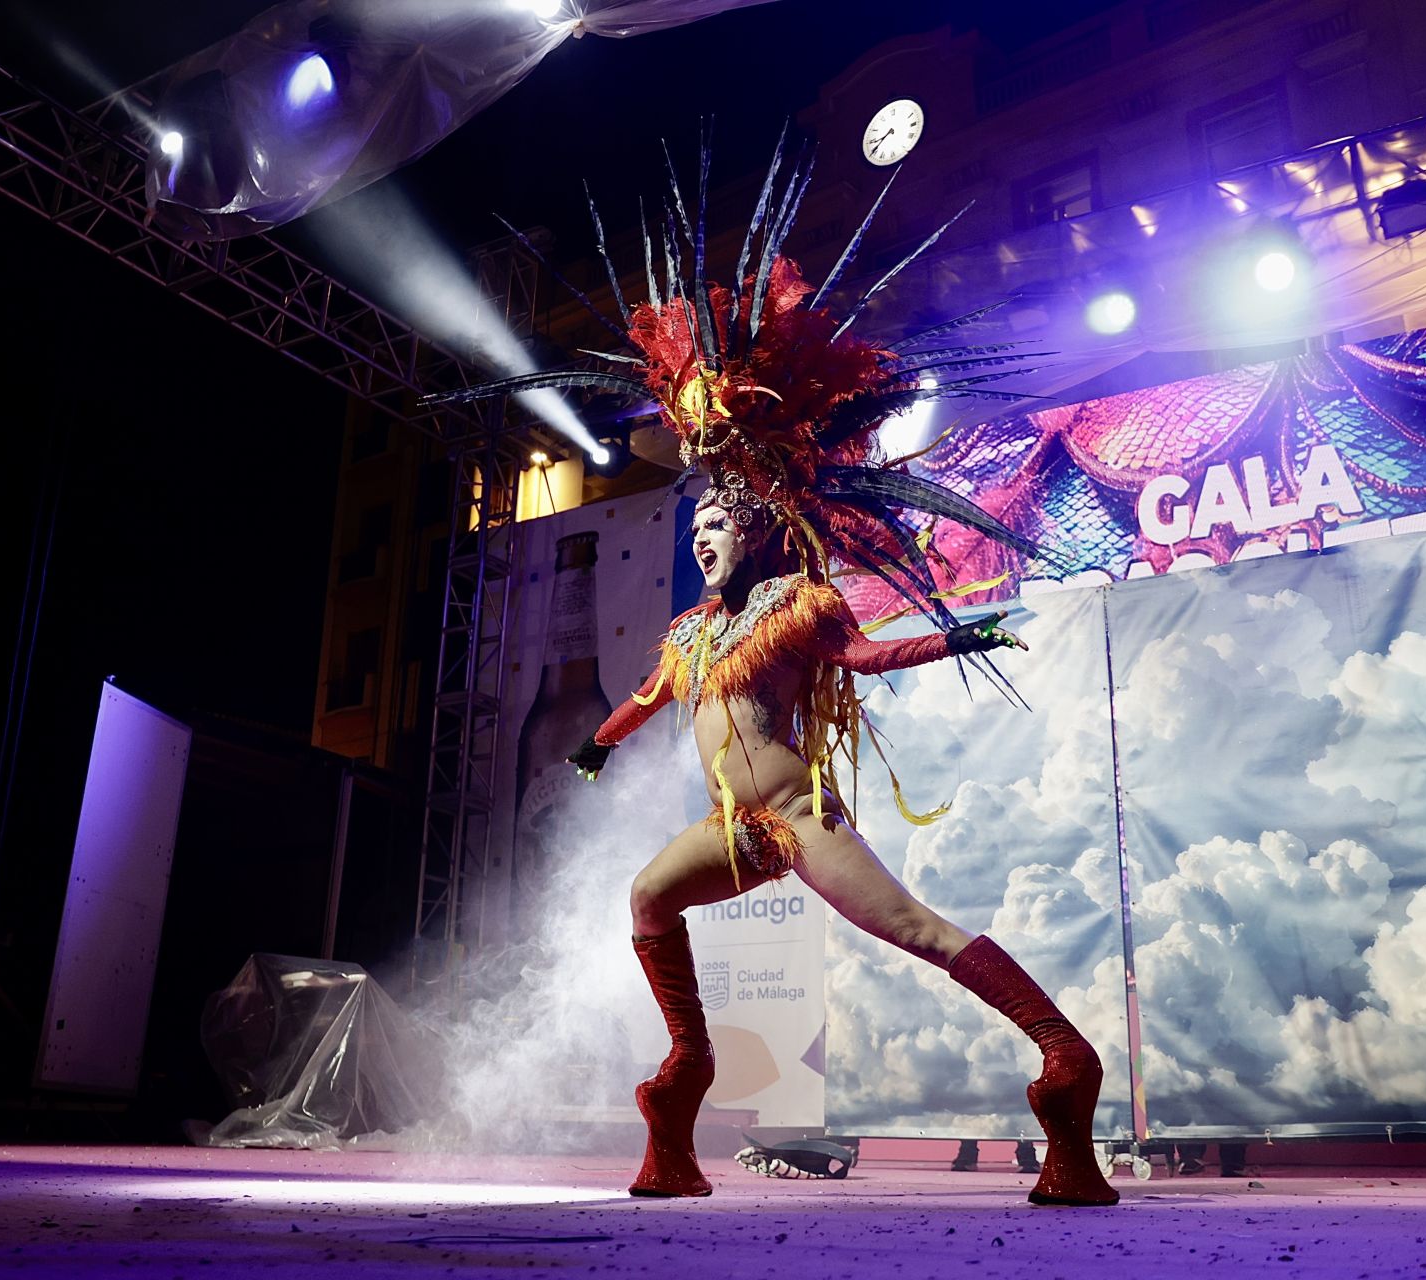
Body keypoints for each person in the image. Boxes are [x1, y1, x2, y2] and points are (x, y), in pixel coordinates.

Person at [430, 136, 1114, 1208]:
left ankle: (1064, 1052)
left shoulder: (801, 605)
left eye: (718, 521)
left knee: (921, 929)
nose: (701, 535)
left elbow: (868, 655)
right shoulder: (690, 631)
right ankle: (690, 1065)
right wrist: (592, 750)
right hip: (730, 830)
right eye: (694, 522)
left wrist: (961, 636)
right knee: (649, 894)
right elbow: (644, 703)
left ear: (755, 528)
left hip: (797, 817)